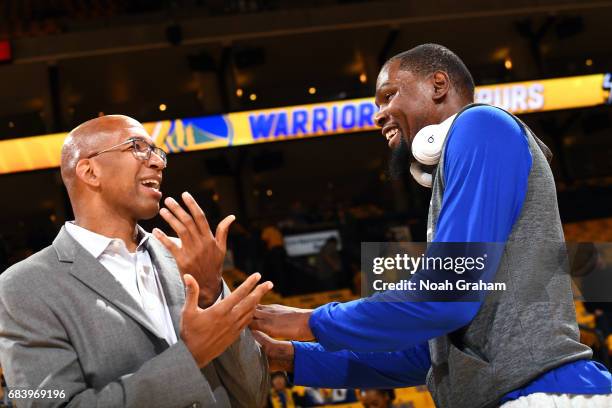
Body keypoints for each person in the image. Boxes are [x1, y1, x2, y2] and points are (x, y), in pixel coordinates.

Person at [250, 44, 612, 407]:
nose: (379, 115)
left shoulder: (482, 124)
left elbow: (446, 295)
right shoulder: (459, 168)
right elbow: (426, 357)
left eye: (388, 96)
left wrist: (309, 321)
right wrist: (292, 356)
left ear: (439, 85)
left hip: (539, 394)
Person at [0, 115, 273, 407]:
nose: (158, 162)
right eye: (137, 146)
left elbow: (254, 394)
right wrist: (190, 358)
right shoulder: (22, 286)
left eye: (157, 152)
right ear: (90, 172)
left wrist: (210, 291)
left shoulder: (186, 258)